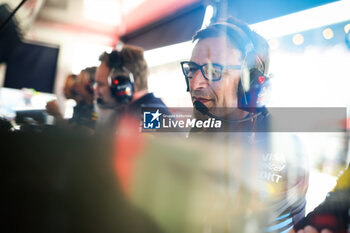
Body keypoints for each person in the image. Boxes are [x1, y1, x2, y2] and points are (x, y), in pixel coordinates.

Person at [181, 17, 309, 232]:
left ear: (249, 80)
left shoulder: (285, 146)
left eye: (213, 71)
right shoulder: (200, 130)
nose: (195, 83)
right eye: (192, 69)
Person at [94, 44, 170, 132]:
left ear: (121, 83)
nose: (96, 90)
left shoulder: (151, 115)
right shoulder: (130, 110)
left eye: (101, 84)